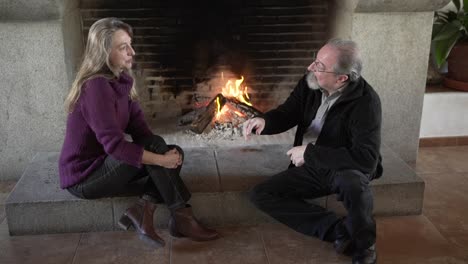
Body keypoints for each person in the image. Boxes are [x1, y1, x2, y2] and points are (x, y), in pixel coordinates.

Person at [58, 17, 219, 247]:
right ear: (104, 52)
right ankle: (182, 217)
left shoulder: (122, 81)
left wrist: (164, 156)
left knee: (171, 150)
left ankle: (144, 209)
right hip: (85, 177)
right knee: (160, 153)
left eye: (130, 44)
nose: (132, 52)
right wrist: (160, 159)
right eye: (123, 47)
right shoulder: (96, 87)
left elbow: (142, 133)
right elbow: (114, 145)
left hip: (105, 165)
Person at [243, 38, 382, 264]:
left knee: (354, 184)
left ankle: (365, 244)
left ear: (341, 78)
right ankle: (340, 231)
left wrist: (309, 153)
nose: (310, 68)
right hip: (311, 164)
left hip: (343, 166)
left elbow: (367, 160)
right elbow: (288, 113)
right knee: (261, 194)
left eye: (319, 66)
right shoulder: (311, 82)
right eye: (314, 60)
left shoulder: (366, 103)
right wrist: (265, 121)